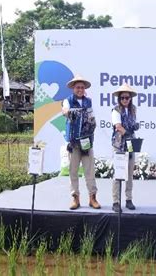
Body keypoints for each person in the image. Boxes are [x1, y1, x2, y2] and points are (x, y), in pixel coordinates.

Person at [62, 75, 100, 210]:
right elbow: (65, 111)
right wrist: (68, 112)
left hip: (87, 141)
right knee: (73, 171)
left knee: (89, 170)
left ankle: (92, 198)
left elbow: (91, 117)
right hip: (73, 142)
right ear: (73, 88)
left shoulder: (88, 102)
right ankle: (75, 198)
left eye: (82, 87)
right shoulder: (67, 101)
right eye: (78, 87)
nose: (80, 89)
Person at [111, 83, 140, 213]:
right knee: (118, 172)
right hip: (119, 144)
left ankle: (128, 199)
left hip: (130, 143)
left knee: (129, 172)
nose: (125, 100)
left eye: (127, 98)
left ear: (130, 98)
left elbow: (133, 123)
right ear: (119, 98)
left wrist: (135, 127)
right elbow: (118, 126)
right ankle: (116, 201)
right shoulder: (116, 110)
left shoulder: (133, 109)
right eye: (122, 97)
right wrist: (127, 133)